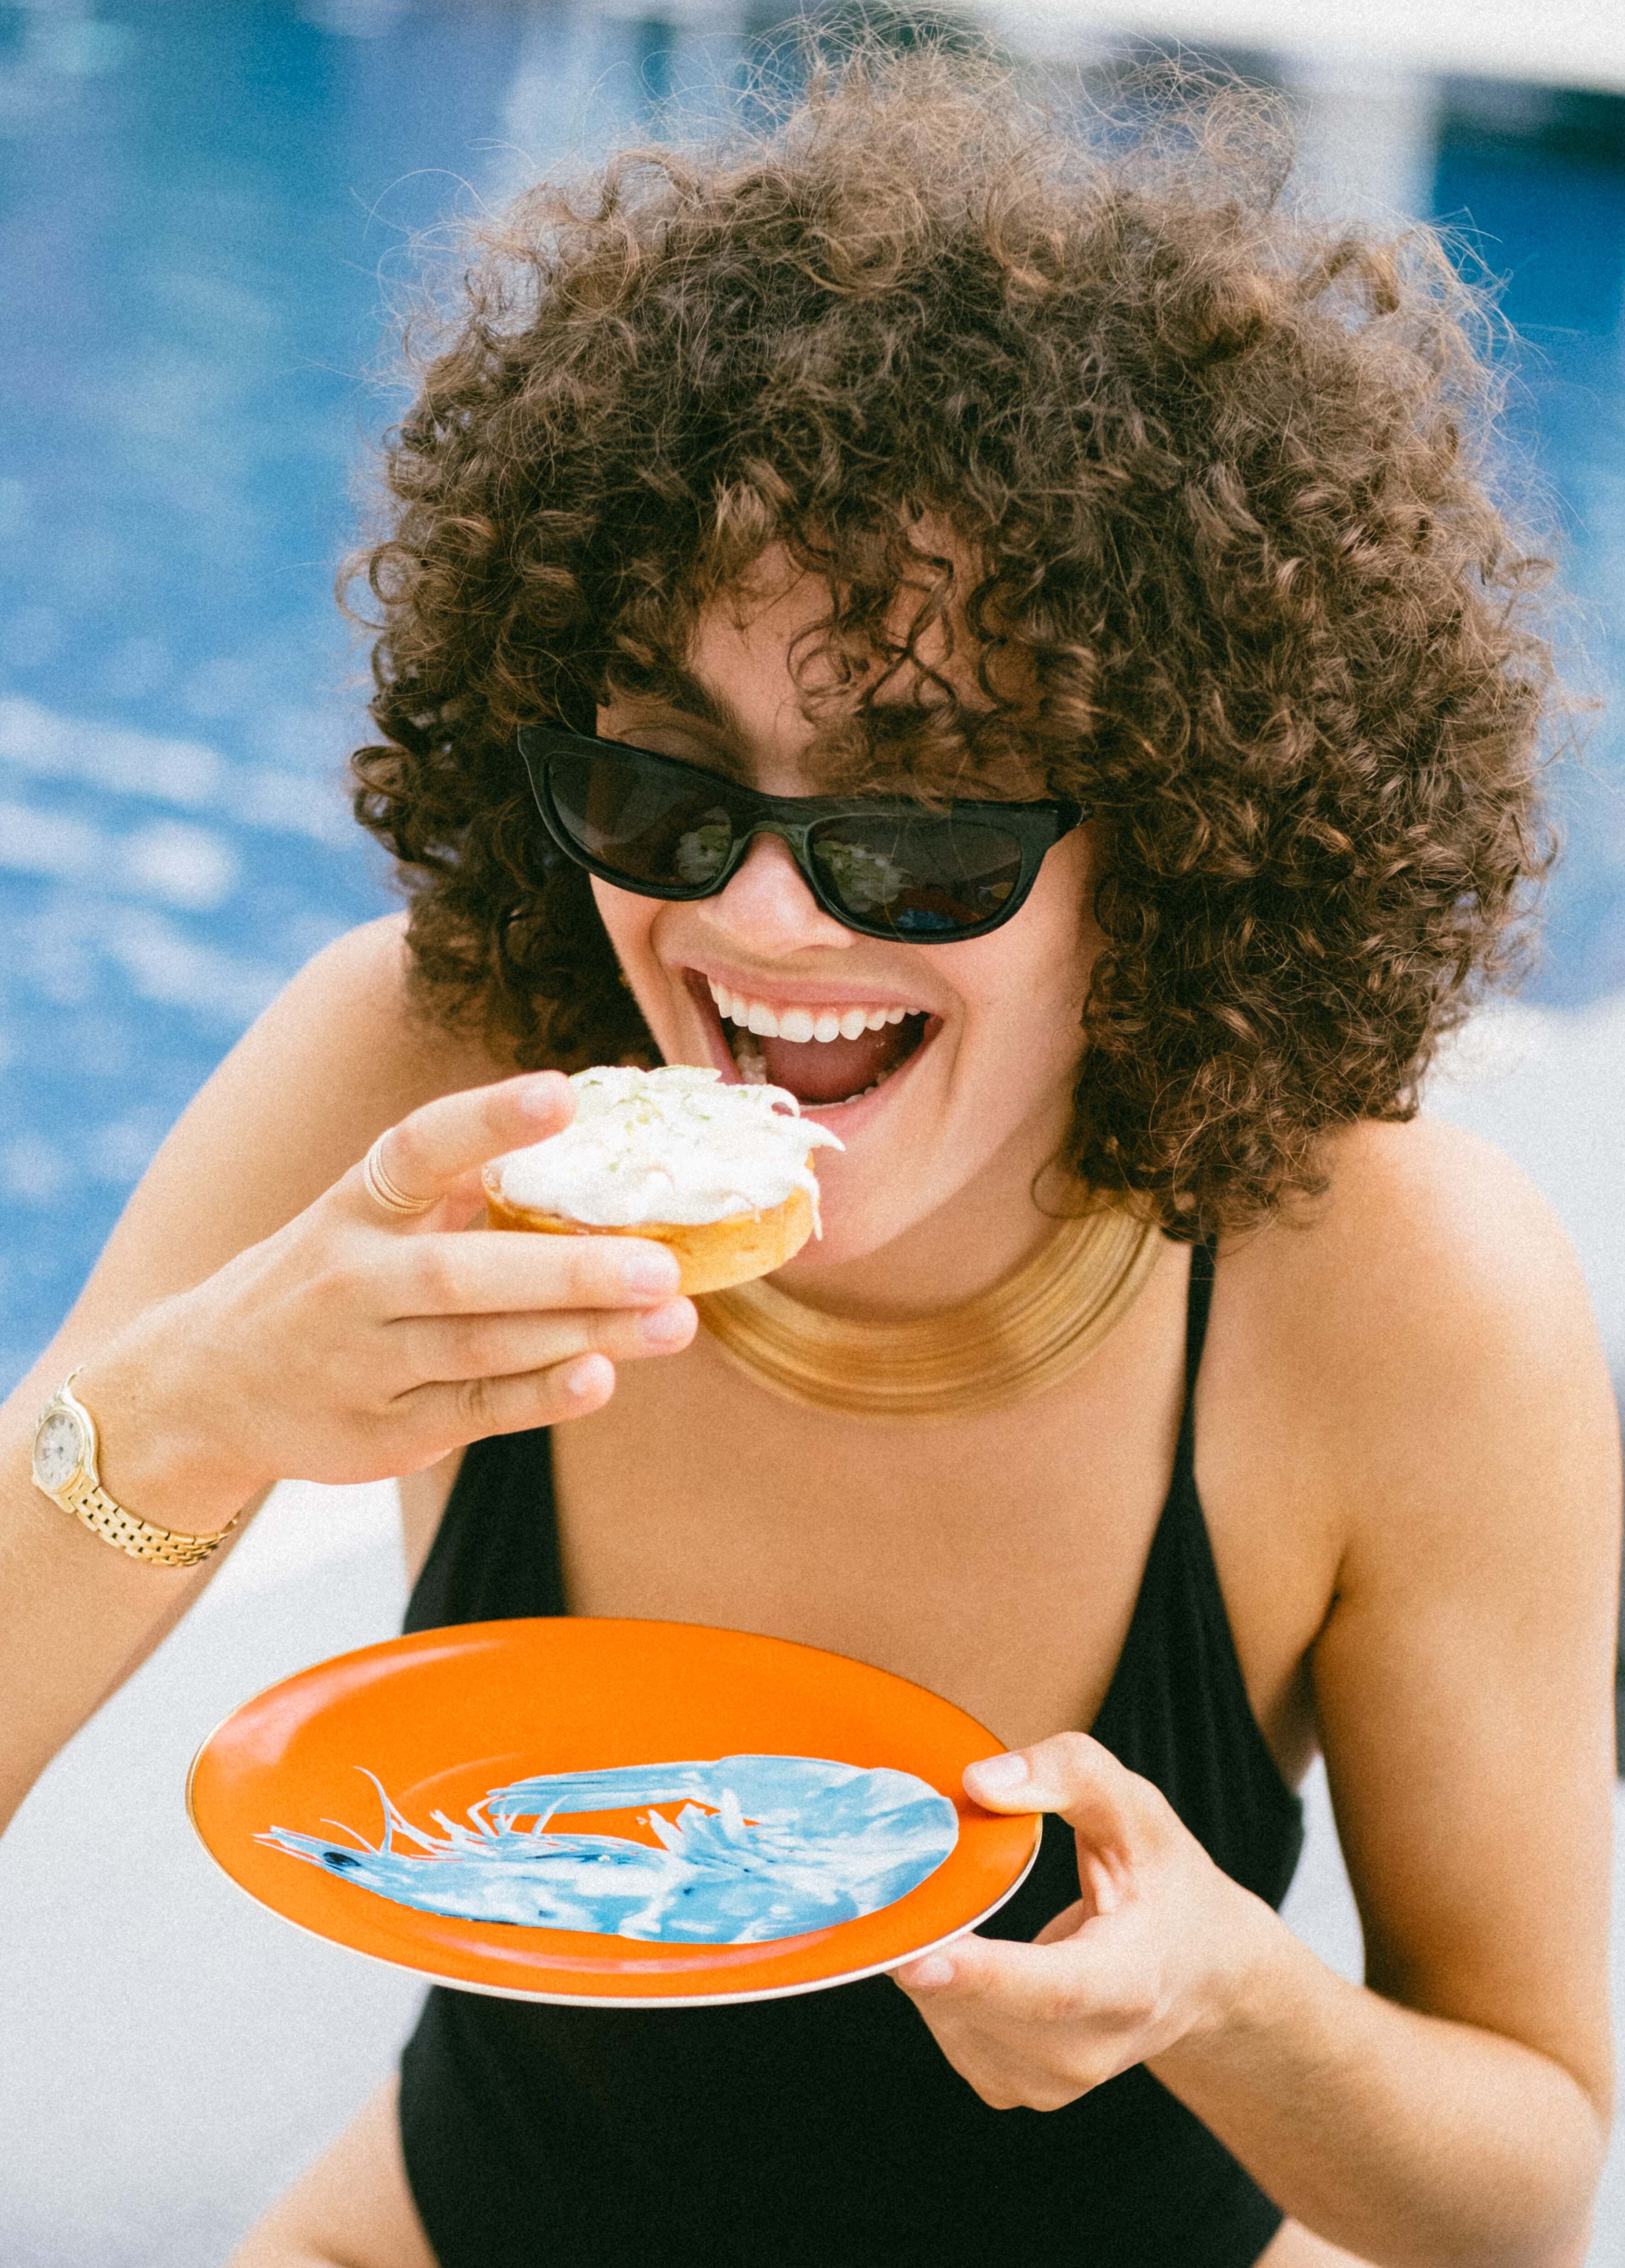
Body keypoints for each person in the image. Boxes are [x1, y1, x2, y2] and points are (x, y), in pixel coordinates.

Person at [3, 48, 1617, 2268]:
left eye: (921, 825)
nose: (761, 922)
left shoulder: (1390, 1286)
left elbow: (1516, 2191)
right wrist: (185, 1416)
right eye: (662, 792)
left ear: (1174, 842)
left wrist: (1227, 1999)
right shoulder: (434, 1081)